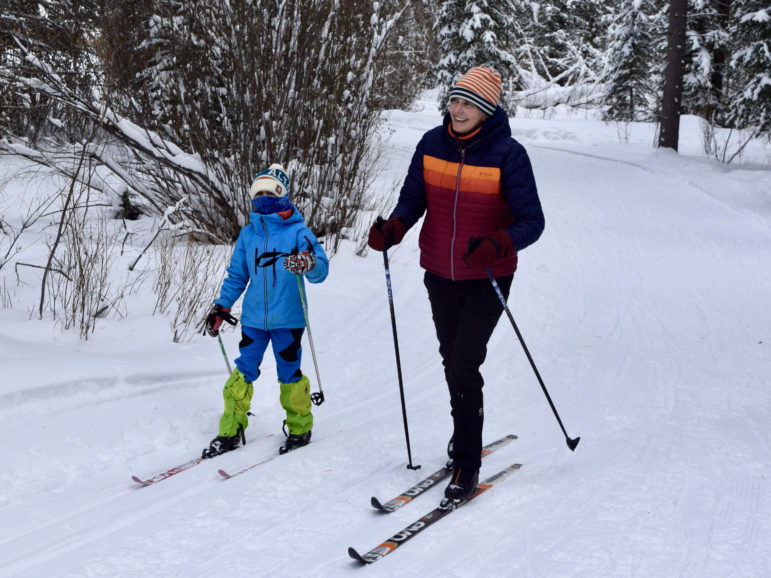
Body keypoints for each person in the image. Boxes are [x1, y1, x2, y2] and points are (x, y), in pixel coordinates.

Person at [368, 66, 545, 506]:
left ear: (486, 110)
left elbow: (532, 221)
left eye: (467, 102)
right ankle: (462, 432)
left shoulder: (508, 155)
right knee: (453, 361)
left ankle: (468, 461)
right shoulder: (432, 144)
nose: (457, 108)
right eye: (454, 99)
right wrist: (394, 227)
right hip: (439, 273)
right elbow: (413, 199)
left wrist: (498, 244)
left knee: (464, 363)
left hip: (487, 276)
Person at [203, 163, 329, 458]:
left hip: (288, 318)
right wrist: (222, 307)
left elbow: (321, 270)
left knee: (289, 372)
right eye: (257, 192)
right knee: (243, 370)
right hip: (254, 320)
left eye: (269, 192)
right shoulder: (249, 235)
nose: (263, 198)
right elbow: (237, 275)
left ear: (282, 194)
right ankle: (231, 429)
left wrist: (308, 263)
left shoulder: (299, 232)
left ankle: (300, 427)